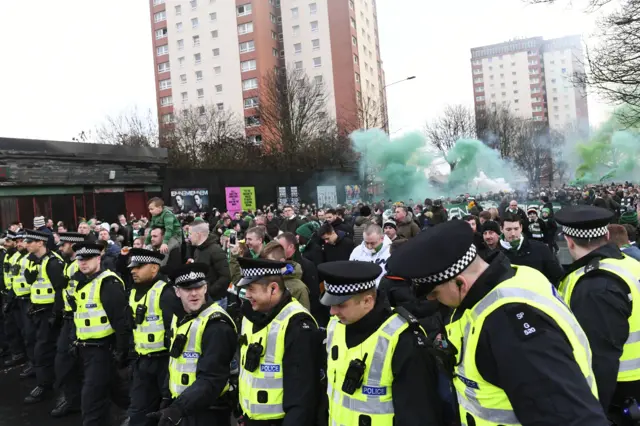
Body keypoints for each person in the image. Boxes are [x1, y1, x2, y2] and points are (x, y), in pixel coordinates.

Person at [387, 220, 608, 425]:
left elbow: (572, 418)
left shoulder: (509, 323)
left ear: (459, 283)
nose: (432, 300)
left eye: (434, 293)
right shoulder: (517, 275)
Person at [319, 260, 444, 426]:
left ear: (367, 301)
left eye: (341, 305)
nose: (333, 312)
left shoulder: (403, 339)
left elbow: (418, 414)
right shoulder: (336, 326)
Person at [556, 205, 640, 422]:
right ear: (606, 235)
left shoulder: (595, 286)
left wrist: (591, 414)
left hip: (619, 389)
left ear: (570, 241)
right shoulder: (629, 265)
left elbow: (600, 360)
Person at [148, 263, 237, 426]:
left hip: (208, 412)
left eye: (199, 287)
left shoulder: (216, 324)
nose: (194, 293)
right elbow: (175, 360)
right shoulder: (180, 317)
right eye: (187, 289)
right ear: (177, 292)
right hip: (185, 408)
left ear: (205, 288)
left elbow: (211, 379)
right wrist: (167, 398)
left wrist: (177, 409)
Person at [236, 257, 320, 426]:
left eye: (251, 289)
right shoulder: (250, 314)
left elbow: (302, 397)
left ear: (273, 289)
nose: (248, 295)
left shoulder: (297, 325)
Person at [71, 242, 131, 426]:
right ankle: (139, 412)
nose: (83, 263)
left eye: (88, 259)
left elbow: (121, 322)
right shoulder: (81, 282)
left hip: (103, 349)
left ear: (98, 258)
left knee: (92, 401)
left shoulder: (108, 283)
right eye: (80, 259)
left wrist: (121, 351)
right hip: (85, 348)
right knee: (115, 389)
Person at [128, 248, 182, 426]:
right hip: (142, 361)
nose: (133, 270)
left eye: (139, 266)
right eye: (132, 267)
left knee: (168, 411)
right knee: (138, 412)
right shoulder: (134, 292)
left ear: (154, 268)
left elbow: (174, 330)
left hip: (164, 363)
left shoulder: (165, 293)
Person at [23, 229, 66, 404]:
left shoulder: (54, 262)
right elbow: (29, 281)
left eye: (30, 241)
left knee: (44, 350)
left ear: (40, 242)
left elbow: (59, 290)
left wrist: (56, 313)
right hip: (37, 310)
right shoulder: (32, 260)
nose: (27, 244)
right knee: (37, 346)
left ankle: (47, 385)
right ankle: (47, 382)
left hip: (49, 312)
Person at [51, 232, 87, 418]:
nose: (60, 247)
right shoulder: (70, 265)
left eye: (64, 244)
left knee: (68, 360)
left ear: (73, 245)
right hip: (69, 318)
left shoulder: (79, 267)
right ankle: (73, 399)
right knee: (66, 360)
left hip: (77, 319)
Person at [500, 213, 564, 287]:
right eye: (508, 229)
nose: (513, 233)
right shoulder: (495, 253)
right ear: (501, 229)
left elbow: (556, 276)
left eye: (516, 229)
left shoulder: (540, 248)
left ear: (521, 228)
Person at [259, 241, 311, 311]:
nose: (265, 267)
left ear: (282, 261)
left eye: (269, 262)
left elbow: (304, 316)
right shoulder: (263, 280)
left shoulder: (299, 288)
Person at [189, 220, 231, 303]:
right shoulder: (197, 250)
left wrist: (209, 292)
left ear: (198, 234)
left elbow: (226, 276)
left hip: (216, 300)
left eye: (190, 234)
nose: (188, 237)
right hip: (203, 298)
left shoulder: (215, 250)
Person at [2, 230, 27, 367]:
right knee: (13, 327)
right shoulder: (13, 256)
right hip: (13, 295)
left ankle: (27, 358)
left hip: (27, 298)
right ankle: (19, 354)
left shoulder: (30, 257)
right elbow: (11, 276)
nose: (19, 244)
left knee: (27, 331)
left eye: (21, 241)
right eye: (16, 242)